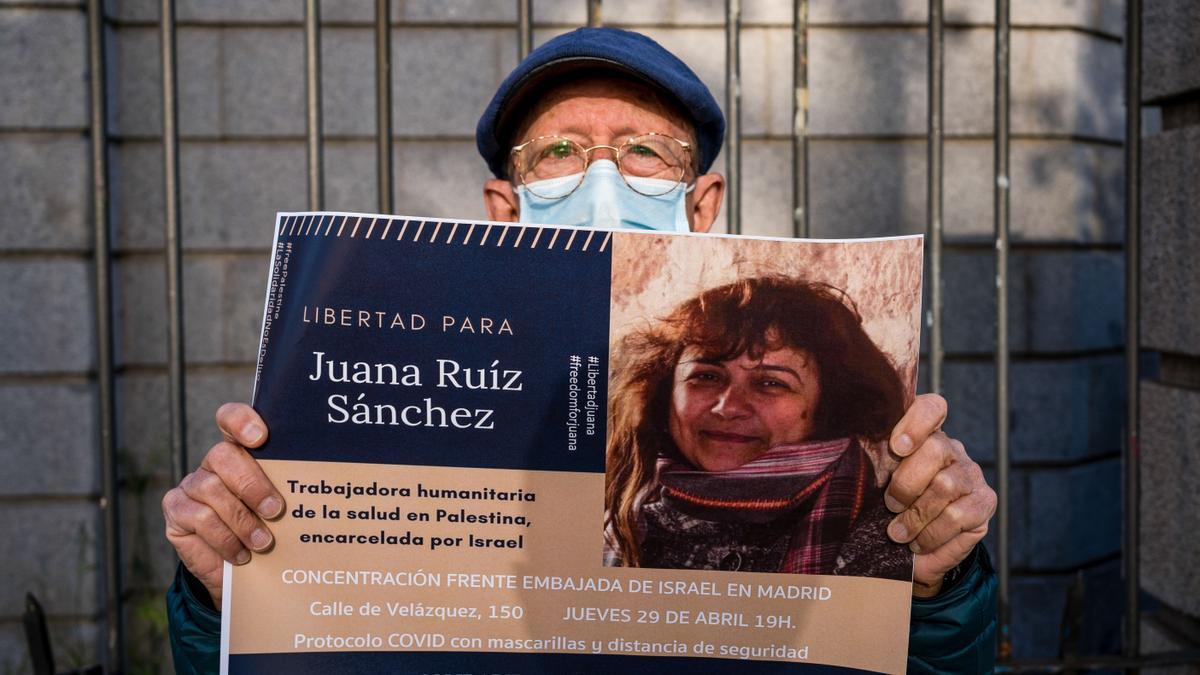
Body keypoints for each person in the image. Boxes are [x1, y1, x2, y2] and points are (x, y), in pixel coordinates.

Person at [165, 27, 997, 674]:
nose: (602, 180)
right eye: (559, 152)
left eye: (643, 151)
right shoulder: (431, 396)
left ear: (701, 203)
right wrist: (226, 591)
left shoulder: (860, 489)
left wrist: (936, 582)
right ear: (505, 205)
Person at [605, 276, 912, 581]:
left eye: (770, 383)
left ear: (825, 408)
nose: (727, 407)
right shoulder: (616, 514)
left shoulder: (884, 540)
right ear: (667, 390)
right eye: (707, 377)